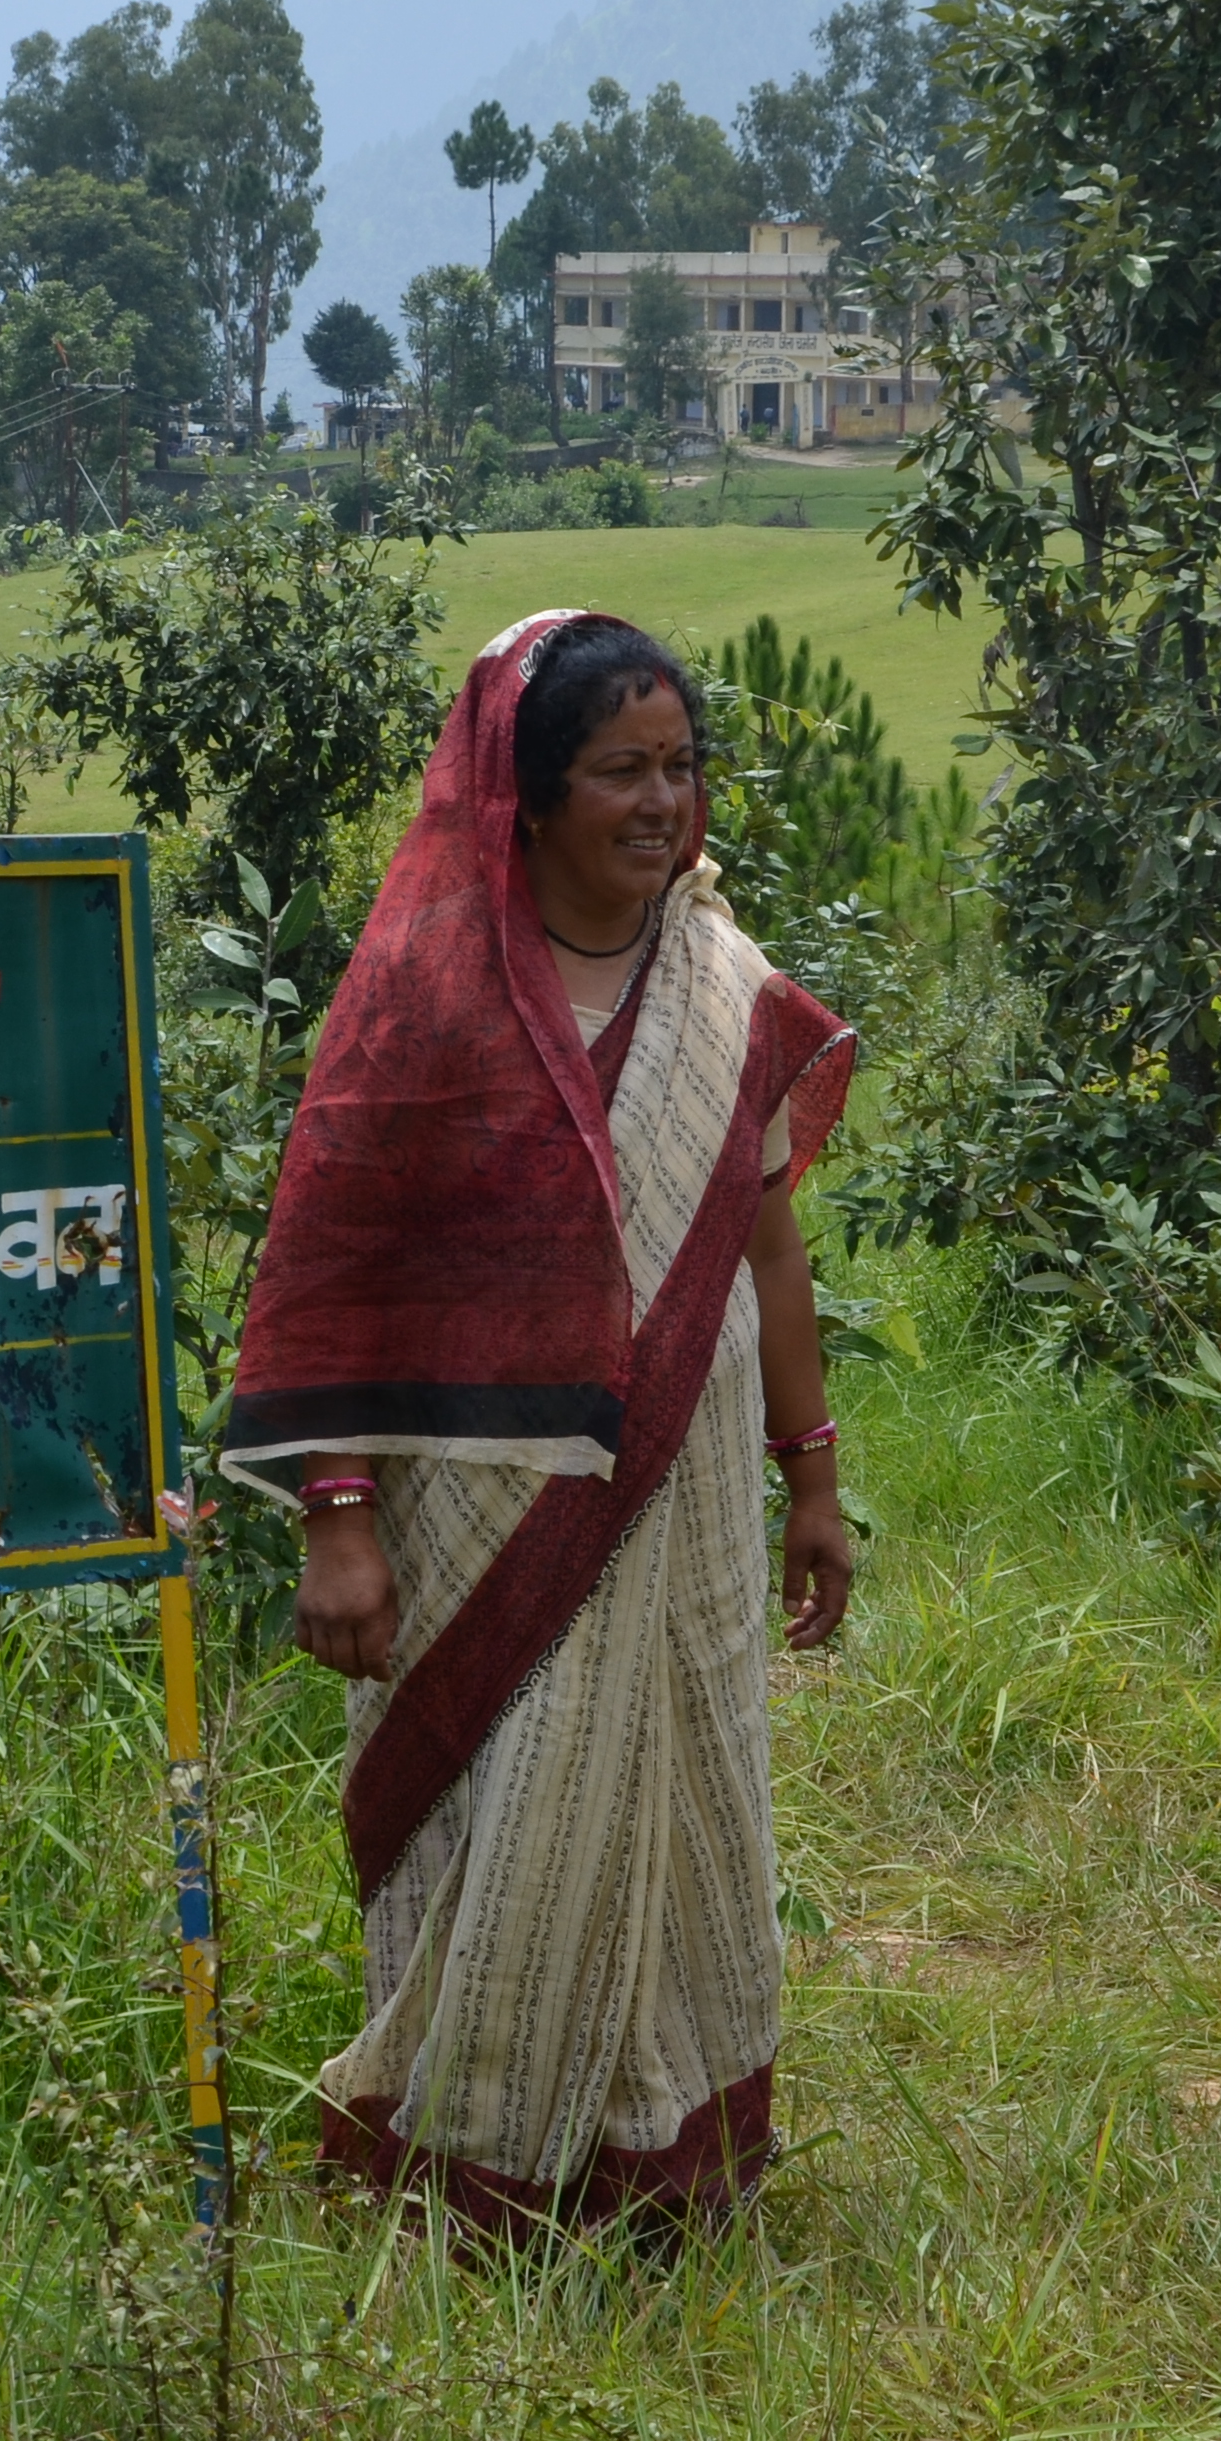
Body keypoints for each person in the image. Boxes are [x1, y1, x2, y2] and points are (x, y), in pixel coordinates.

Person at [225, 612, 860, 2241]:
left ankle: (660, 2169)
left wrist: (814, 1474)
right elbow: (336, 1271)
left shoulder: (723, 983)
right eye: (620, 773)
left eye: (683, 768)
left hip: (695, 1493)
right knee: (499, 1826)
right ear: (526, 793)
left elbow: (769, 1244)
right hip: (475, 1514)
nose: (663, 804)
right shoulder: (431, 1000)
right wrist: (338, 1514)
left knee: (685, 1800)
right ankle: (474, 2171)